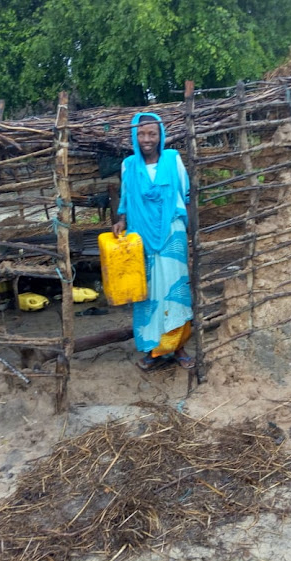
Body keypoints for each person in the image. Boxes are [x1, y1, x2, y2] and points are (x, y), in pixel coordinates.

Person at [112, 112, 195, 370]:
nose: (147, 139)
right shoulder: (129, 165)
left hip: (172, 234)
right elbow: (126, 198)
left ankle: (178, 347)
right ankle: (154, 351)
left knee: (175, 291)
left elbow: (185, 194)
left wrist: (189, 228)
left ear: (161, 136)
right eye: (141, 134)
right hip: (141, 236)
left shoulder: (172, 159)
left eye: (152, 134)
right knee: (147, 294)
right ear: (134, 137)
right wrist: (122, 221)